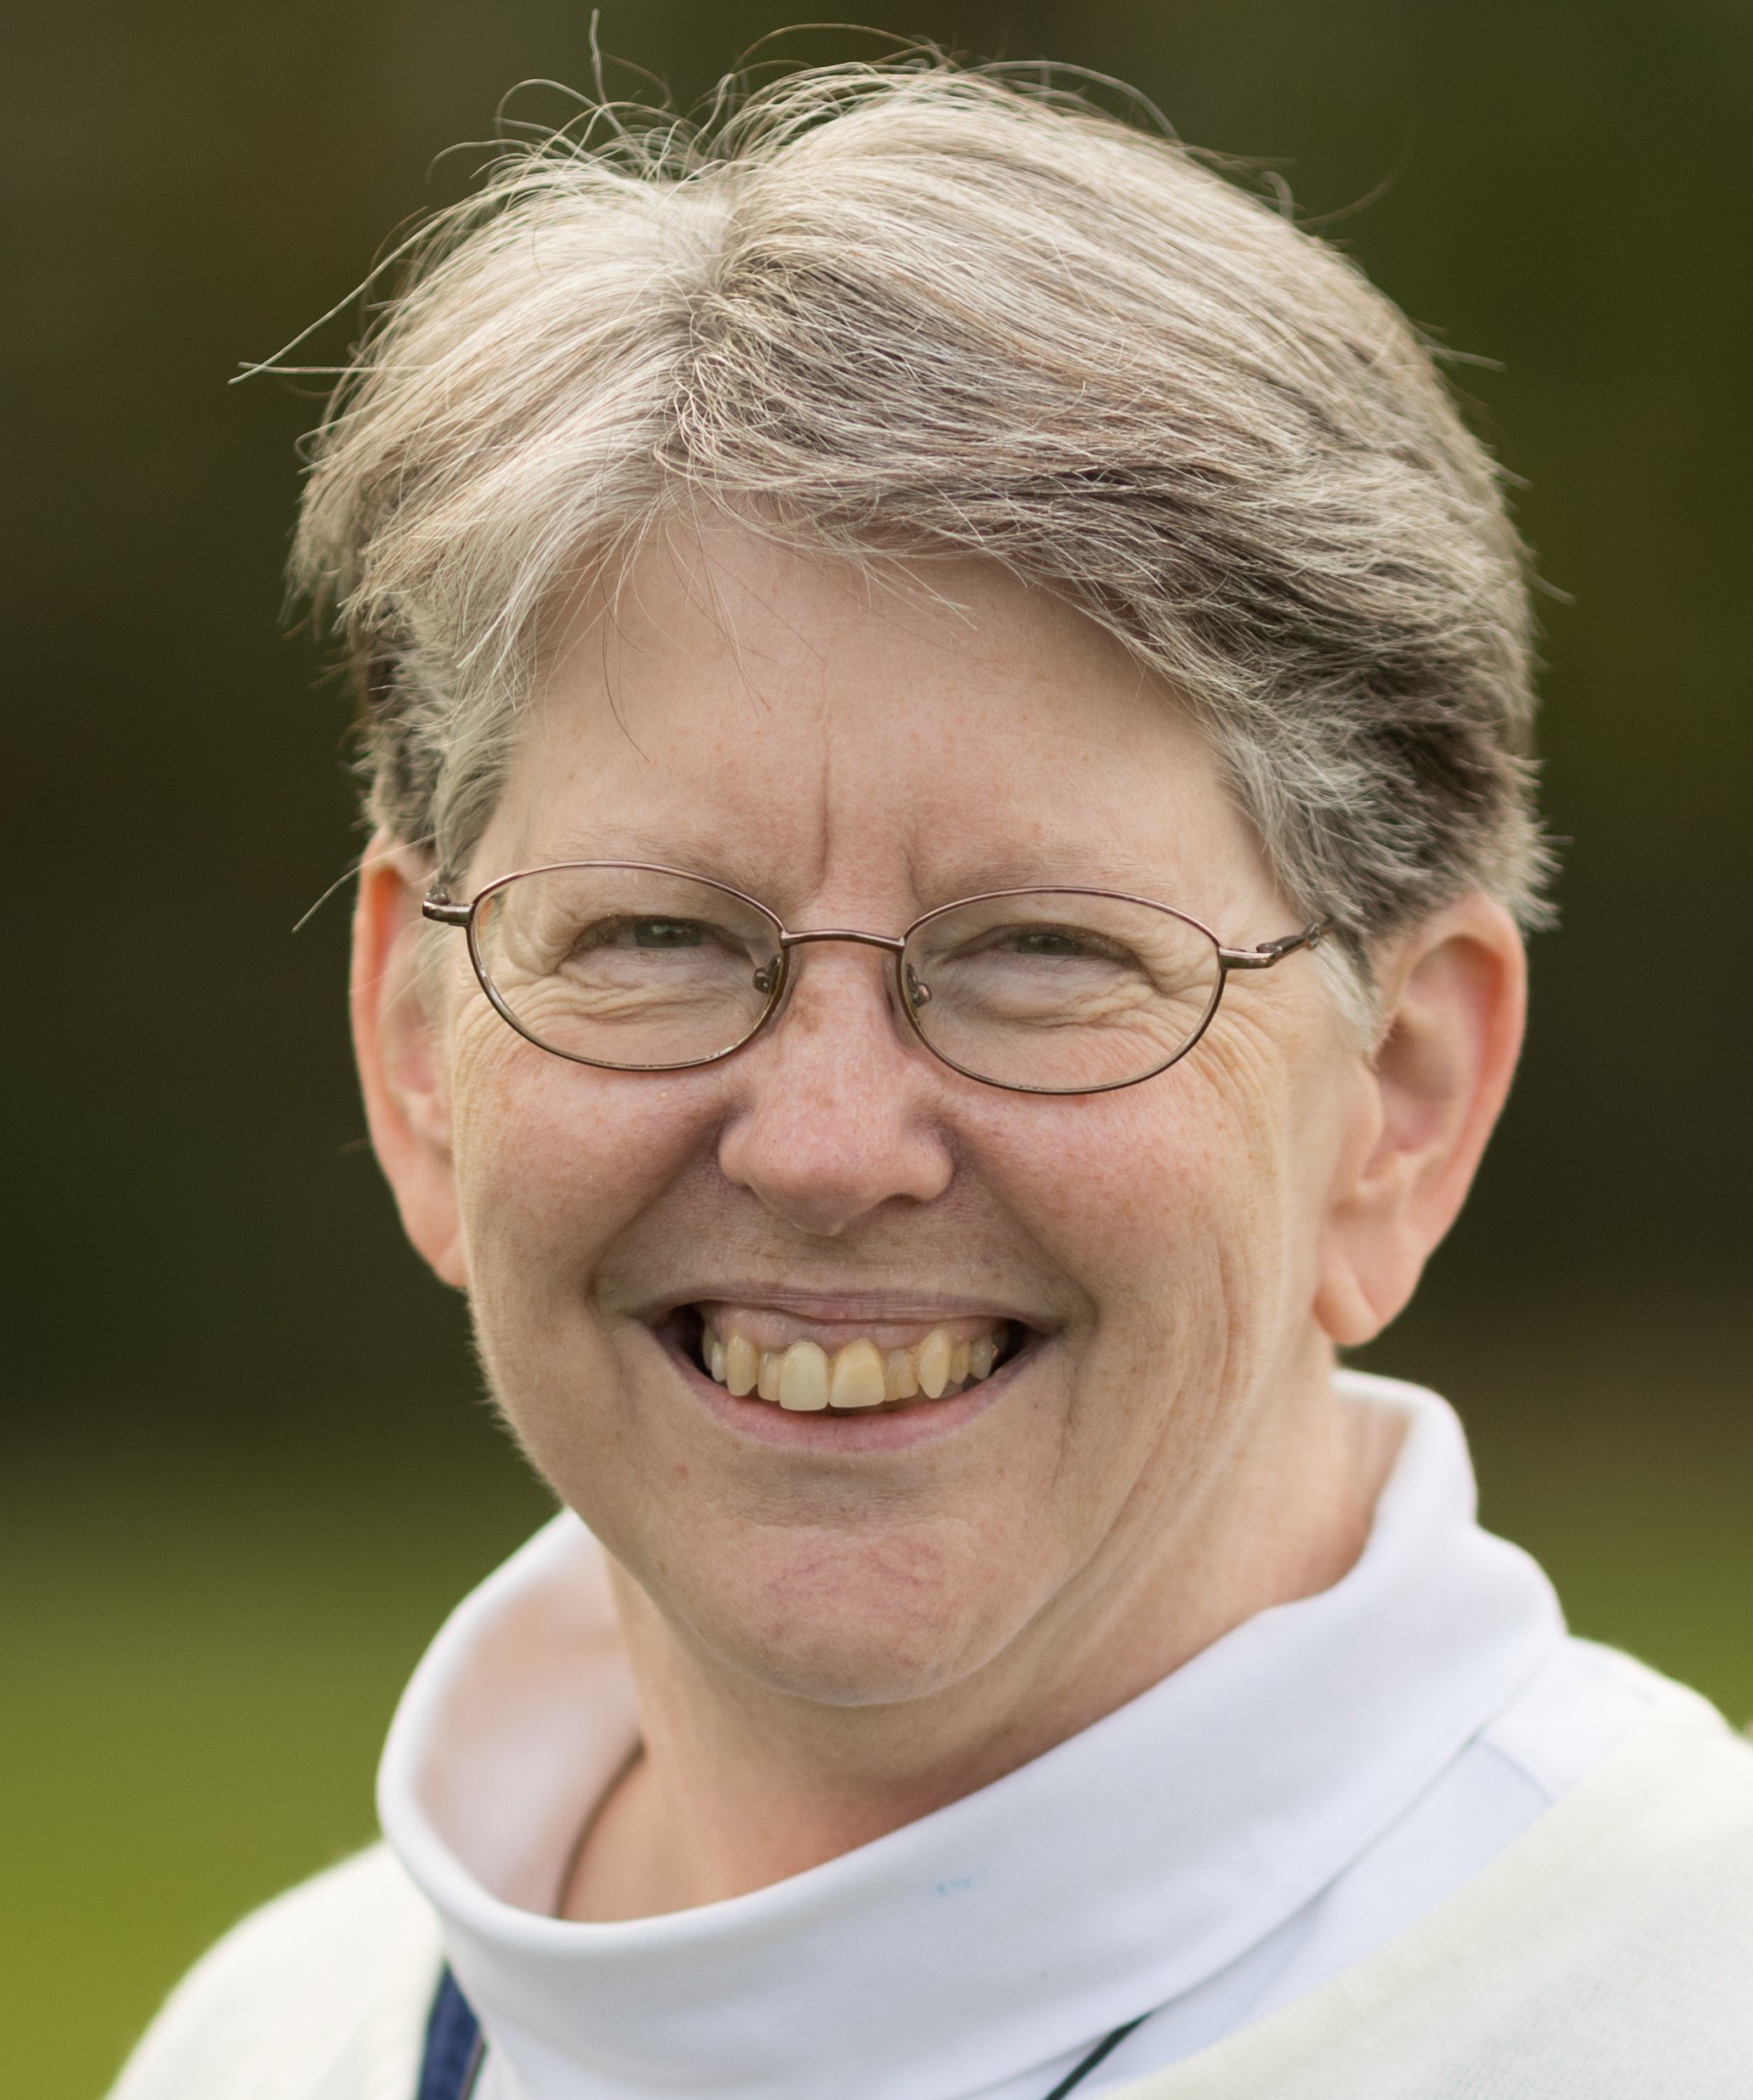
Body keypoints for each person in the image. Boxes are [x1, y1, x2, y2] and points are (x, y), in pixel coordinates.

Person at [110, 56, 1753, 2100]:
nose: (824, 1145)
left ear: (1400, 1101)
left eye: (1044, 953)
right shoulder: (270, 2043)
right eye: (655, 937)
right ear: (416, 1048)